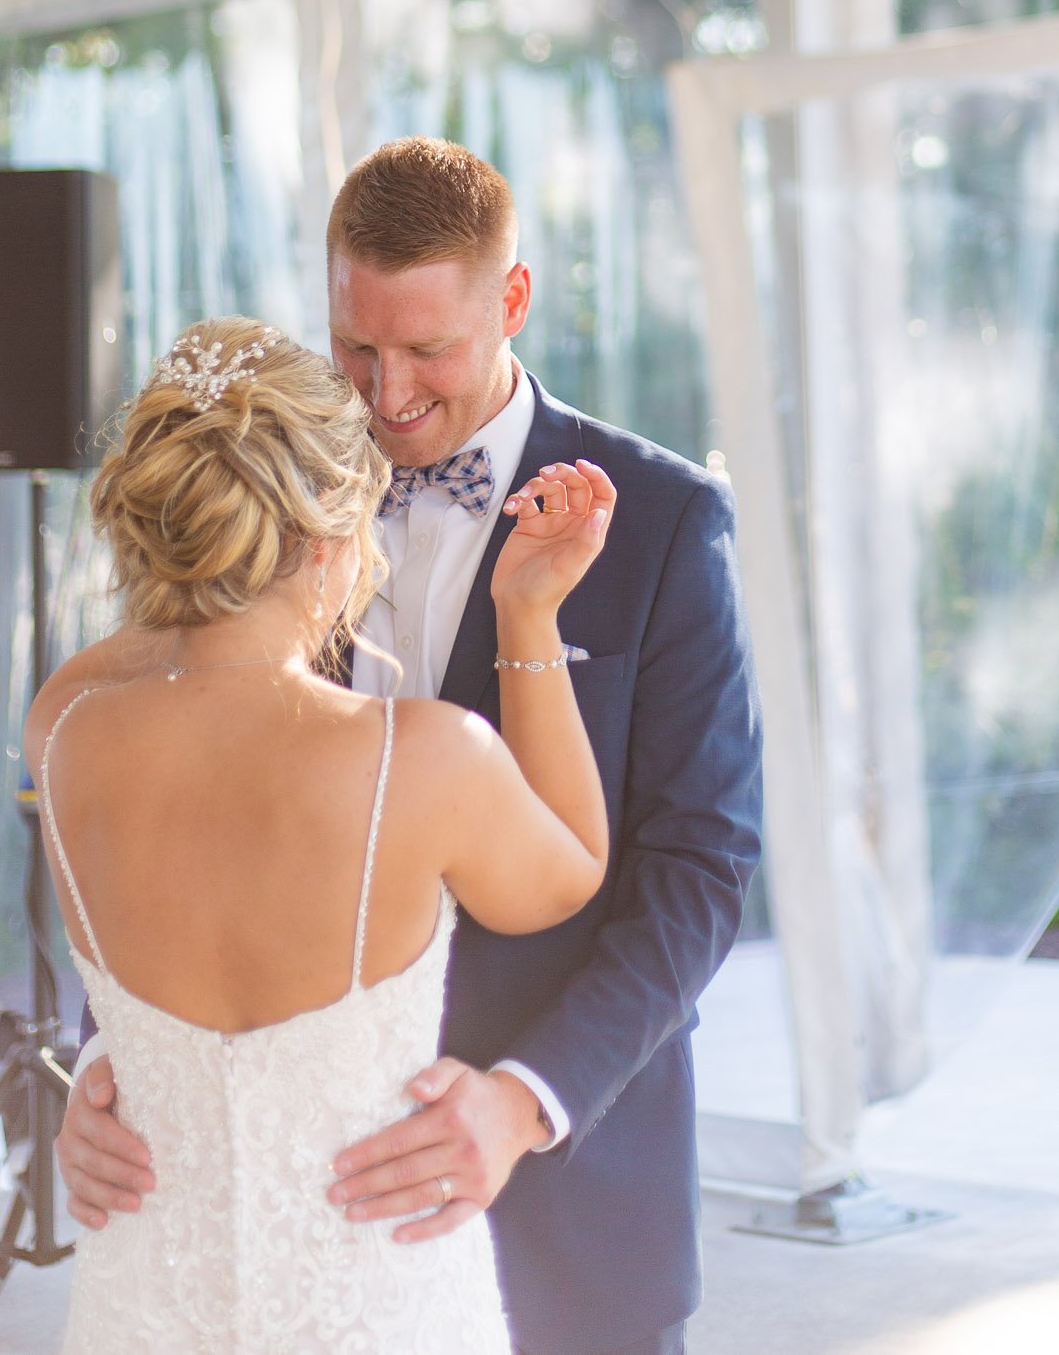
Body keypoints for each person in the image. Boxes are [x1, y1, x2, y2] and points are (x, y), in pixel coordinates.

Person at [59, 139, 764, 1355]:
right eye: (355, 347)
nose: (384, 397)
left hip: (572, 1189)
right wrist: (113, 1062)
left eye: (427, 350)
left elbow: (698, 871)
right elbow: (158, 803)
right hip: (281, 1201)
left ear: (511, 299)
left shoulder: (660, 522)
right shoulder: (267, 502)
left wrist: (522, 1101)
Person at [29, 315, 617, 1354]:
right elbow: (570, 871)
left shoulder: (66, 727)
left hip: (144, 1302)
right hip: (374, 1301)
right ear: (326, 537)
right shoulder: (427, 758)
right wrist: (528, 617)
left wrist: (194, 566)